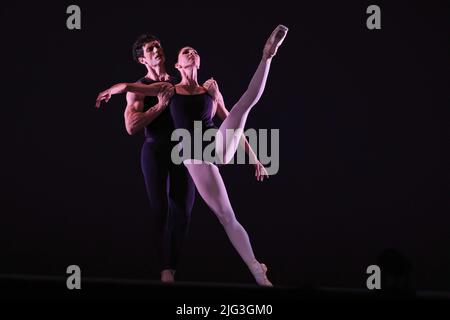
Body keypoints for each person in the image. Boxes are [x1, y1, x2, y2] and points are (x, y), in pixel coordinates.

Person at [96, 24, 288, 286]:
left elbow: (232, 120)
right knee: (224, 216)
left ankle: (268, 55)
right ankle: (256, 269)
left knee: (243, 107)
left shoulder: (209, 91)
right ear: (178, 65)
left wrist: (254, 157)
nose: (192, 52)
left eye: (194, 51)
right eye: (186, 51)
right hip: (193, 154)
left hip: (216, 147)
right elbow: (129, 86)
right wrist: (110, 90)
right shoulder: (168, 89)